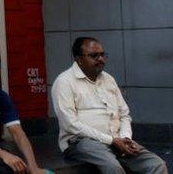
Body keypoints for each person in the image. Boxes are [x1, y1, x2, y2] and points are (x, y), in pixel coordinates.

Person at [51, 37, 168, 174]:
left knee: (156, 165)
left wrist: (126, 139)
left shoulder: (108, 79)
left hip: (116, 139)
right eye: (94, 56)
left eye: (102, 54)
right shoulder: (64, 82)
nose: (100, 59)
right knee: (113, 168)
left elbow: (124, 114)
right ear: (79, 60)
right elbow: (69, 124)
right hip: (81, 142)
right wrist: (112, 140)